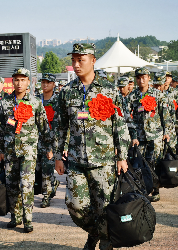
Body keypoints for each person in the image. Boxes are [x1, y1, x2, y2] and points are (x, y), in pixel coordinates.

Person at [55, 43, 130, 250]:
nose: (76, 65)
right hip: (76, 160)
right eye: (73, 60)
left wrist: (122, 156)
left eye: (81, 60)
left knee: (104, 207)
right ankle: (95, 232)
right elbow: (60, 126)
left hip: (104, 161)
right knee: (75, 205)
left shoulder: (109, 90)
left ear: (93, 60)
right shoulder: (67, 92)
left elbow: (120, 125)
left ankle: (104, 242)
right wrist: (58, 156)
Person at [0, 68, 50, 233]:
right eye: (16, 80)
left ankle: (28, 219)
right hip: (10, 150)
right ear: (12, 81)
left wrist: (49, 147)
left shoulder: (35, 102)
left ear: (29, 82)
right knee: (12, 185)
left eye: (22, 80)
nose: (19, 83)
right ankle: (15, 216)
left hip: (28, 150)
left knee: (26, 184)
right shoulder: (5, 102)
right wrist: (0, 150)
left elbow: (44, 127)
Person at [128, 68, 171, 202]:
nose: (141, 80)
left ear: (149, 78)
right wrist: (133, 135)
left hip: (156, 135)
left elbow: (165, 114)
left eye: (144, 77)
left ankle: (156, 190)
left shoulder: (157, 94)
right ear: (136, 79)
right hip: (139, 137)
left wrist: (167, 132)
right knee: (141, 164)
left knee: (155, 163)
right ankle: (143, 190)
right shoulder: (132, 96)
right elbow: (128, 118)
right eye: (139, 77)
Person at [36, 73, 60, 208]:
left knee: (47, 169)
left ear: (53, 84)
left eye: (48, 82)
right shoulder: (36, 100)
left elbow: (60, 125)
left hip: (51, 140)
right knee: (38, 168)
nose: (45, 85)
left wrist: (54, 147)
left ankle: (46, 196)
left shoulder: (57, 101)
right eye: (43, 82)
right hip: (37, 139)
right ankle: (53, 183)